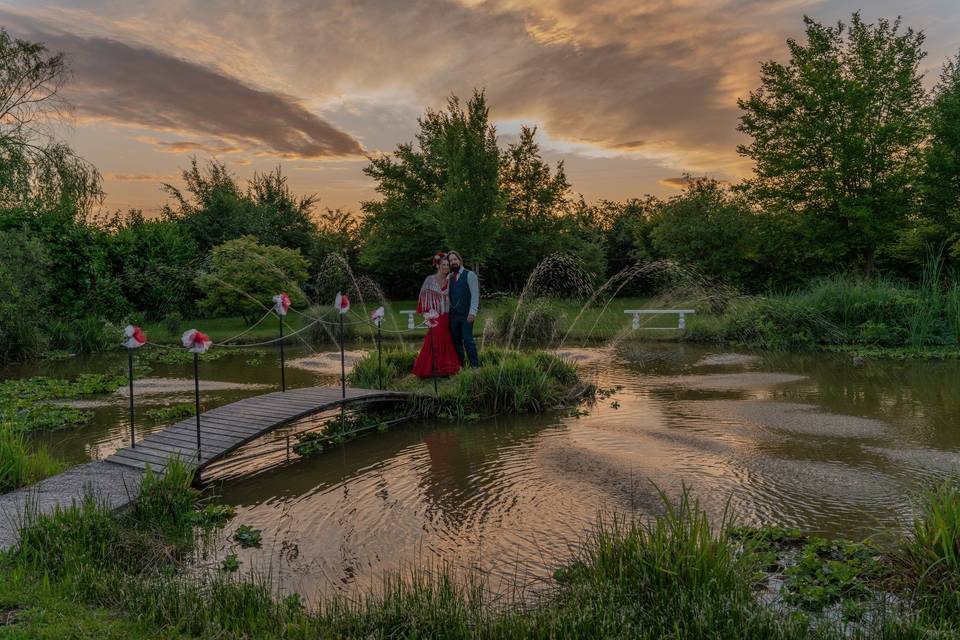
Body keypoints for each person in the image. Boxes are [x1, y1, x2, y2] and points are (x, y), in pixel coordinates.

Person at [412, 252, 461, 378]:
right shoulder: (430, 280)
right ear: (438, 265)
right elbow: (423, 297)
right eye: (443, 265)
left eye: (448, 265)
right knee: (434, 339)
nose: (446, 267)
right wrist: (427, 314)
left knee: (446, 339)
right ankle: (431, 369)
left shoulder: (450, 279)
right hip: (434, 317)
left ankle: (445, 369)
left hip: (446, 316)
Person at [446, 250, 480, 368]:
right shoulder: (449, 277)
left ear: (459, 260)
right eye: (450, 261)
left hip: (466, 315)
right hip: (453, 315)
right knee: (456, 342)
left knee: (468, 340)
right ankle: (461, 366)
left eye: (455, 259)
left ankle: (475, 367)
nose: (453, 262)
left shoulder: (470, 275)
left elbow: (475, 295)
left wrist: (473, 312)